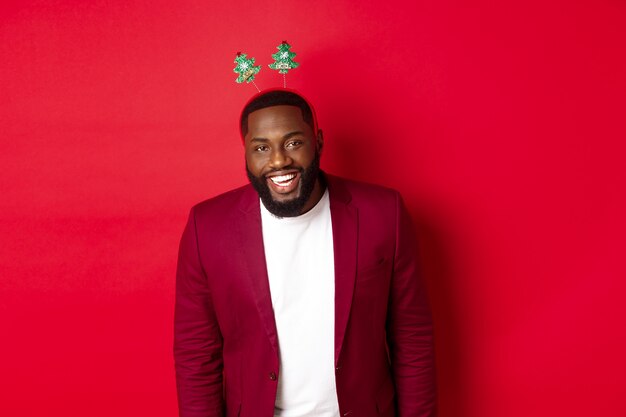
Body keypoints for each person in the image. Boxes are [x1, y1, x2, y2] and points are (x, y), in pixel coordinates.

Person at [174, 89, 436, 417]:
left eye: (293, 142)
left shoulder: (384, 214)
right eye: (261, 148)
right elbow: (196, 355)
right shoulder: (208, 227)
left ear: (319, 142)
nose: (279, 160)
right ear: (246, 154)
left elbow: (412, 339)